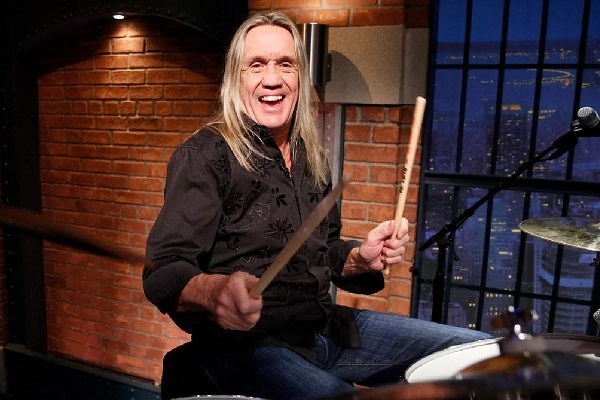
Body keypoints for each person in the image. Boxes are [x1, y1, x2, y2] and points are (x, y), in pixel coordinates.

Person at [143, 11, 492, 400]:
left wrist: (360, 258)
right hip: (244, 348)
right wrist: (213, 291)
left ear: (299, 77)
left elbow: (325, 251)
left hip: (323, 329)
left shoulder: (311, 158)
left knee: (479, 353)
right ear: (235, 77)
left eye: (285, 64)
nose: (272, 78)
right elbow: (163, 270)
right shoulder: (205, 156)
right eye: (256, 65)